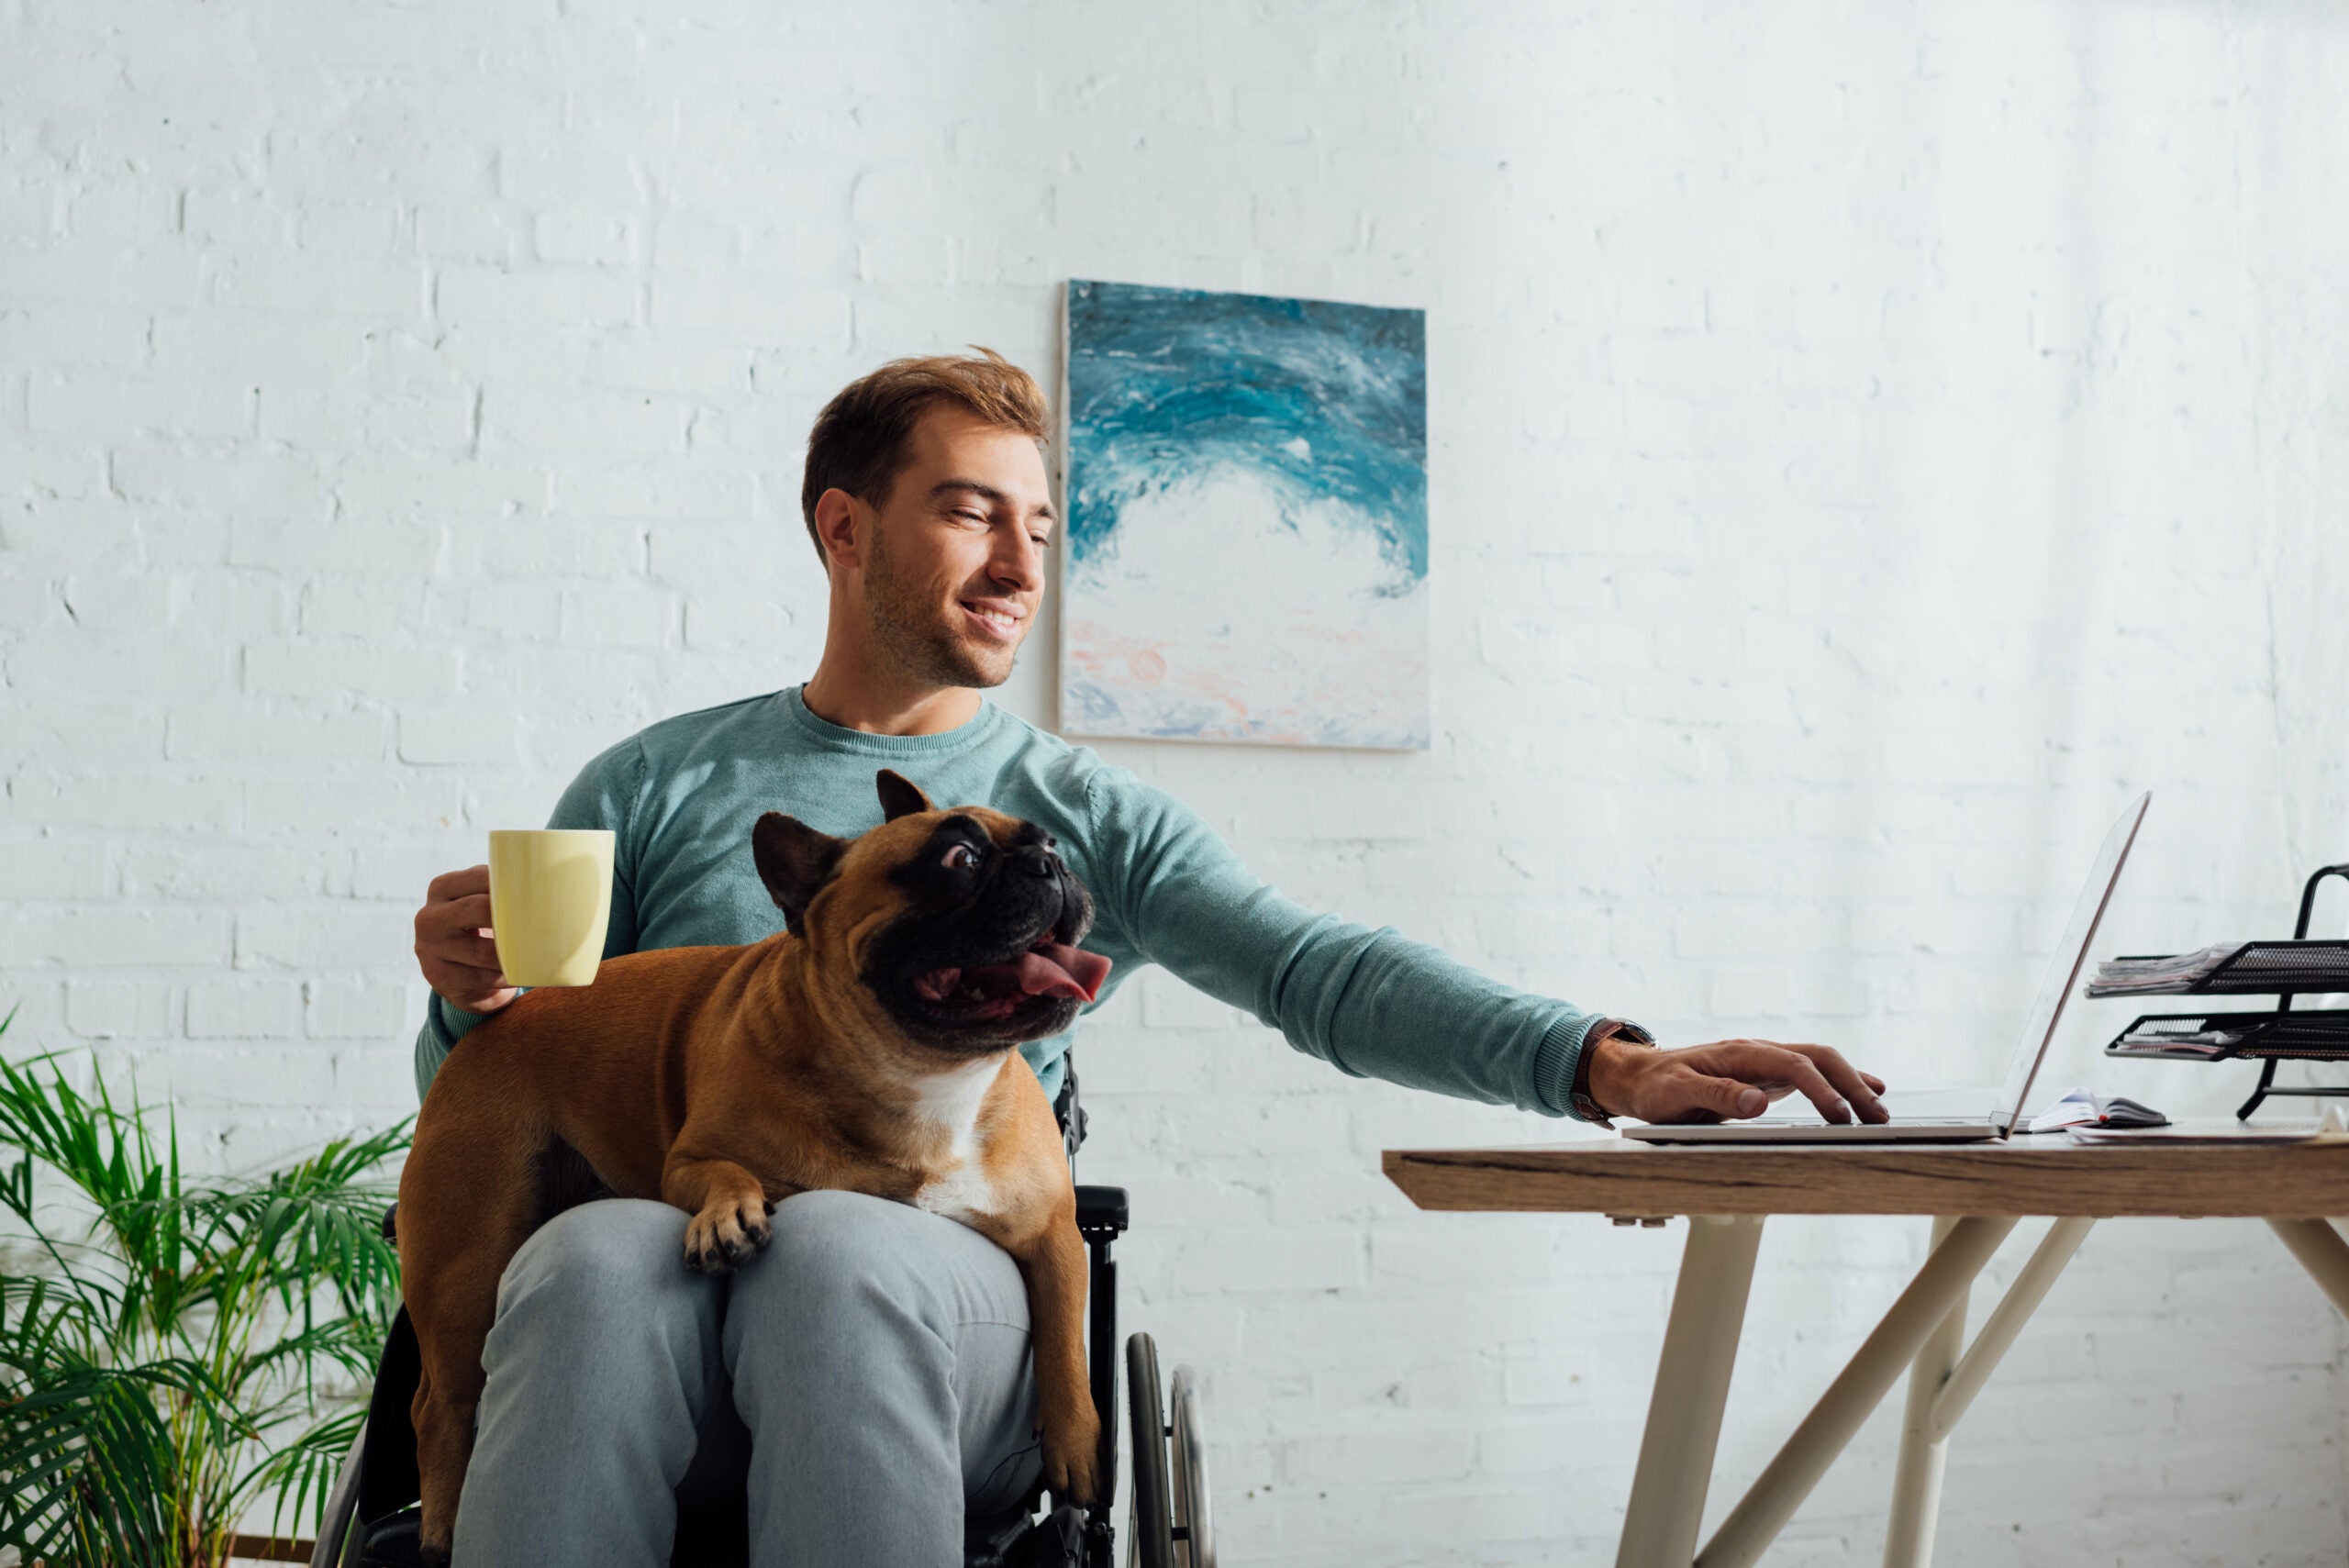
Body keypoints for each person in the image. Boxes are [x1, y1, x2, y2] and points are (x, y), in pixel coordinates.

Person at [407, 347, 1887, 1565]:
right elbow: (509, 1067)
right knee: (589, 1261)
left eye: (1041, 528)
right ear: (844, 528)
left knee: (843, 1256)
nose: (1017, 562)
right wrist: (459, 994)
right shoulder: (648, 785)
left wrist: (1597, 1056)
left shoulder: (1081, 816)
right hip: (669, 1273)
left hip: (923, 1303)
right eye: (971, 514)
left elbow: (1317, 968)